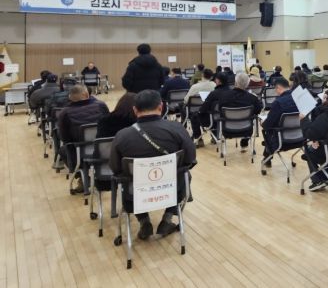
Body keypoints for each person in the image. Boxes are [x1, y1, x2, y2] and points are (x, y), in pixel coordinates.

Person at [110, 90, 196, 240]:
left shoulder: (122, 135)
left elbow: (115, 168)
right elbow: (190, 158)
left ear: (135, 110)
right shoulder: (177, 128)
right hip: (172, 189)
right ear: (161, 107)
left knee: (127, 181)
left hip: (136, 194)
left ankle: (144, 221)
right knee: (185, 175)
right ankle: (167, 219)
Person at [57, 85, 110, 189]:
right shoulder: (101, 105)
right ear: (86, 94)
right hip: (103, 149)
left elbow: (64, 138)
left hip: (80, 152)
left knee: (63, 150)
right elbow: (108, 126)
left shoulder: (65, 113)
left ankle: (82, 177)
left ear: (70, 97)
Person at [198, 72, 262, 150]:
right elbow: (258, 110)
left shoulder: (224, 96)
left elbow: (220, 110)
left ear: (235, 82)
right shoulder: (253, 98)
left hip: (227, 130)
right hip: (246, 130)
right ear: (248, 84)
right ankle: (244, 142)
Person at [261, 78, 298, 164]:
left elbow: (268, 124)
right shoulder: (299, 98)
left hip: (282, 140)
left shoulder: (278, 103)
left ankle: (267, 158)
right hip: (300, 138)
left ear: (278, 88)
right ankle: (267, 157)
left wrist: (262, 123)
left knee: (267, 129)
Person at [187, 69, 221, 145]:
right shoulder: (215, 86)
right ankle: (215, 136)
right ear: (212, 77)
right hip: (214, 115)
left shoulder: (195, 87)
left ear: (202, 75)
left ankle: (198, 139)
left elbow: (186, 100)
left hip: (199, 114)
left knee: (193, 116)